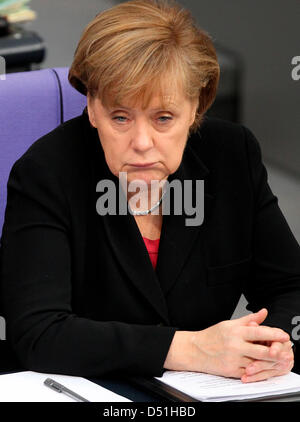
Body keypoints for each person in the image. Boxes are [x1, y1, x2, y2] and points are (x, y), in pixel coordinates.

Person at [0, 0, 299, 383]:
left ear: (196, 108)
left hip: (208, 390)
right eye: (120, 117)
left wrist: (268, 346)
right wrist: (189, 349)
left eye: (163, 118)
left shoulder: (232, 155)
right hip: (90, 388)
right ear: (92, 108)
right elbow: (39, 333)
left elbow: (291, 287)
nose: (142, 142)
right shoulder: (46, 171)